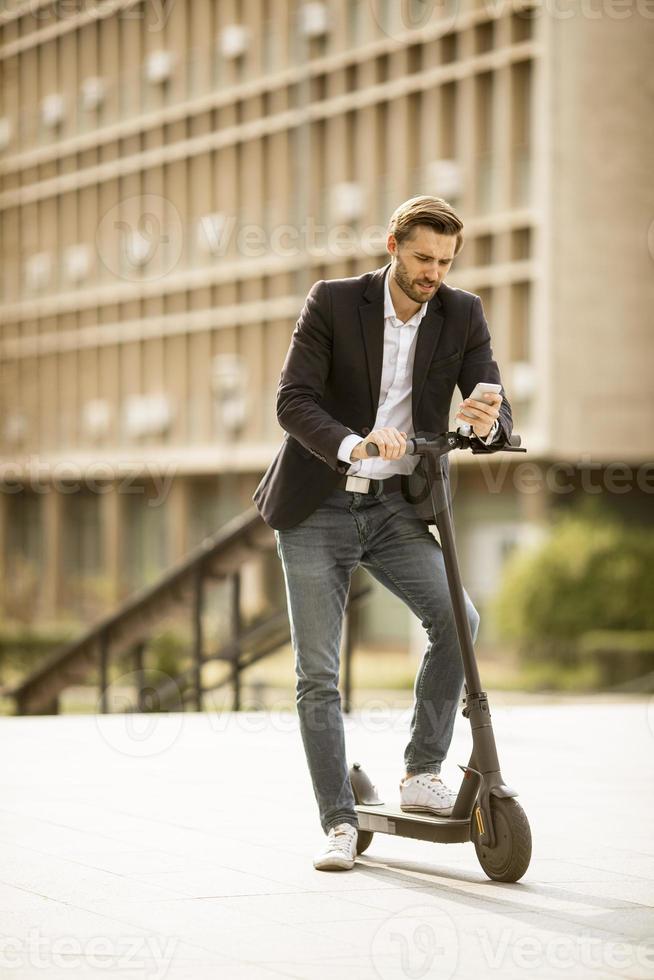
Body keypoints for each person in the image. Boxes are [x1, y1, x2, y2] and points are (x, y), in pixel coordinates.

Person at [252, 196, 512, 871]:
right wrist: (351, 444)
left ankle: (422, 768)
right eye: (424, 257)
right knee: (318, 673)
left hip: (399, 507)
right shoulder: (334, 302)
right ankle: (338, 822)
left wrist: (488, 419)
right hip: (318, 505)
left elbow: (492, 396)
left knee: (462, 621)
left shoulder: (461, 312)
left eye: (445, 261)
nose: (434, 272)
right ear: (392, 243)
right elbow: (292, 400)